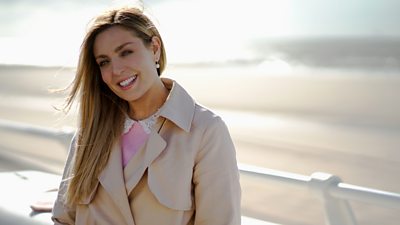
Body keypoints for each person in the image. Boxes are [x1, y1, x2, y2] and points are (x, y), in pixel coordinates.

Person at [52, 5, 241, 225]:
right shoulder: (89, 134)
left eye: (126, 52)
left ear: (155, 49)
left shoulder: (205, 130)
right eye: (104, 62)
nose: (116, 70)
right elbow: (64, 218)